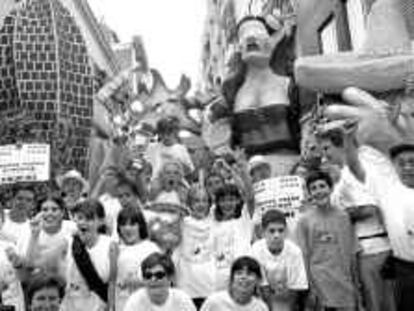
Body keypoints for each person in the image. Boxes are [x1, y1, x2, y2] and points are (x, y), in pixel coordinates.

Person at [317, 127, 395, 311]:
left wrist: (339, 216)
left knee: (379, 305)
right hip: (363, 251)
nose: (324, 154)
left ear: (341, 145)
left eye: (327, 148)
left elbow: (370, 209)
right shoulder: (344, 174)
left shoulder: (352, 173)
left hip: (373, 249)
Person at [295, 171, 358, 311]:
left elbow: (352, 254)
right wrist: (310, 288)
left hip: (344, 286)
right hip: (320, 287)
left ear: (331, 188)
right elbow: (304, 257)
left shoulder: (344, 217)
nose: (319, 191)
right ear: (309, 193)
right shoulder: (304, 221)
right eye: (314, 188)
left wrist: (356, 285)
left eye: (322, 186)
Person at [60, 199, 115, 311]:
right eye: (80, 218)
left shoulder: (110, 245)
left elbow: (113, 283)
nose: (83, 222)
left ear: (101, 221)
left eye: (89, 218)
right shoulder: (67, 242)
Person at [252, 209, 308, 311]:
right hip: (265, 298)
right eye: (272, 231)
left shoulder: (295, 251)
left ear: (286, 231)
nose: (276, 235)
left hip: (288, 297)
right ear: (263, 232)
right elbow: (263, 287)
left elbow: (295, 288)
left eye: (280, 230)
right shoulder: (256, 250)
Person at [110, 207, 160, 311]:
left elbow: (162, 281)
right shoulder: (116, 249)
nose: (127, 228)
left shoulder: (151, 249)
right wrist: (111, 307)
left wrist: (139, 282)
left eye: (132, 224)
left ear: (140, 226)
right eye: (123, 224)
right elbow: (113, 282)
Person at [173, 185, 215, 309]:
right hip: (186, 286)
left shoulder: (215, 223)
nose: (200, 204)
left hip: (210, 287)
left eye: (204, 200)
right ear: (189, 203)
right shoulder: (181, 223)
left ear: (209, 203)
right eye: (196, 200)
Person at [211, 183, 254, 291]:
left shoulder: (245, 217)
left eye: (231, 199)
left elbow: (250, 196)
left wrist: (240, 171)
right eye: (223, 200)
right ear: (217, 203)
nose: (227, 204)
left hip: (243, 275)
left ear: (238, 200)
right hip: (218, 279)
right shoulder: (212, 220)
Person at [22, 195, 77, 278]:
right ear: (38, 213)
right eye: (44, 210)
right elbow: (29, 264)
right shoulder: (29, 230)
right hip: (41, 281)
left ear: (62, 212)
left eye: (54, 209)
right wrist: (34, 235)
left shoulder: (73, 228)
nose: (49, 213)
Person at [123, 252, 196, 311]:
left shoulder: (183, 301)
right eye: (148, 275)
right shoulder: (134, 302)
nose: (153, 279)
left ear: (170, 278)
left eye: (159, 275)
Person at [201, 256, 269, 311]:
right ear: (231, 278)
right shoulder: (214, 302)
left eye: (249, 274)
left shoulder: (261, 308)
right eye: (239, 273)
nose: (243, 277)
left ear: (258, 280)